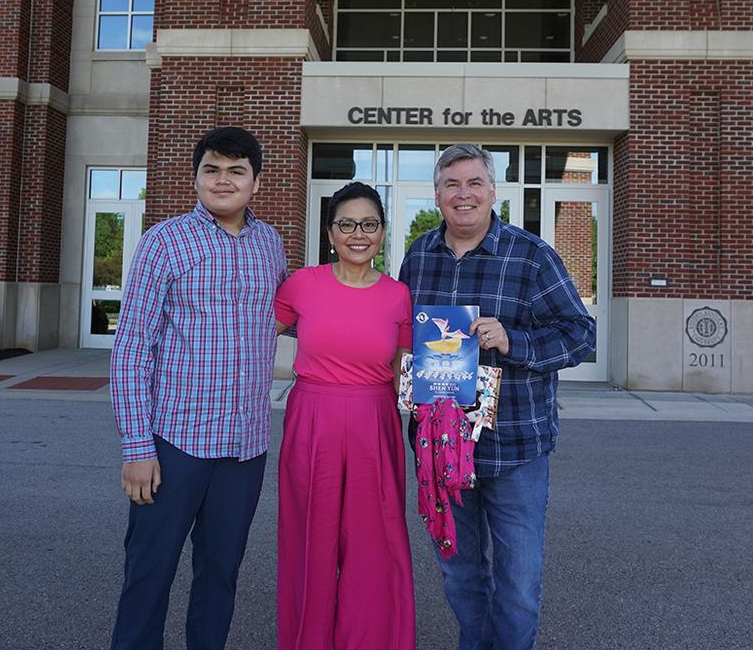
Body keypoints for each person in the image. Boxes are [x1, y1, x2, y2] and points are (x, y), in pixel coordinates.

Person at [398, 143, 596, 650]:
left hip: (514, 448)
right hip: (441, 449)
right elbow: (402, 336)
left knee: (517, 584)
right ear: (437, 194)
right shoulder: (418, 255)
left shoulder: (531, 256)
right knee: (460, 576)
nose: (463, 195)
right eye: (451, 185)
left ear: (492, 192)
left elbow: (581, 335)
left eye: (474, 184)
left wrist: (514, 342)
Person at [109, 126, 287, 650]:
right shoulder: (165, 242)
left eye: (236, 170)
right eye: (211, 169)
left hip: (244, 448)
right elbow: (132, 347)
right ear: (196, 177)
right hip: (174, 445)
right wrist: (138, 449)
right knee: (149, 574)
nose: (223, 180)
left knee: (220, 575)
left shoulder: (270, 244)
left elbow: (289, 319)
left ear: (257, 180)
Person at [274, 182, 416, 650]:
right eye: (347, 224)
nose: (359, 234)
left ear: (382, 232)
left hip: (375, 422)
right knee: (309, 541)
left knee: (373, 545)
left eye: (370, 224)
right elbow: (243, 335)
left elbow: (405, 373)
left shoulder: (399, 296)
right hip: (311, 421)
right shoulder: (301, 285)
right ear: (330, 231)